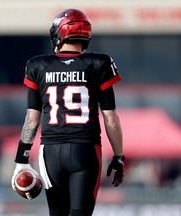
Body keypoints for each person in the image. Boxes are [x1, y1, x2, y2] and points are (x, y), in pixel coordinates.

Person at [11, 8, 125, 216]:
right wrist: (118, 157)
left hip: (50, 152)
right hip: (85, 149)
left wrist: (21, 159)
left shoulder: (38, 65)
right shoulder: (99, 63)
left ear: (60, 32)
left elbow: (32, 119)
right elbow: (110, 117)